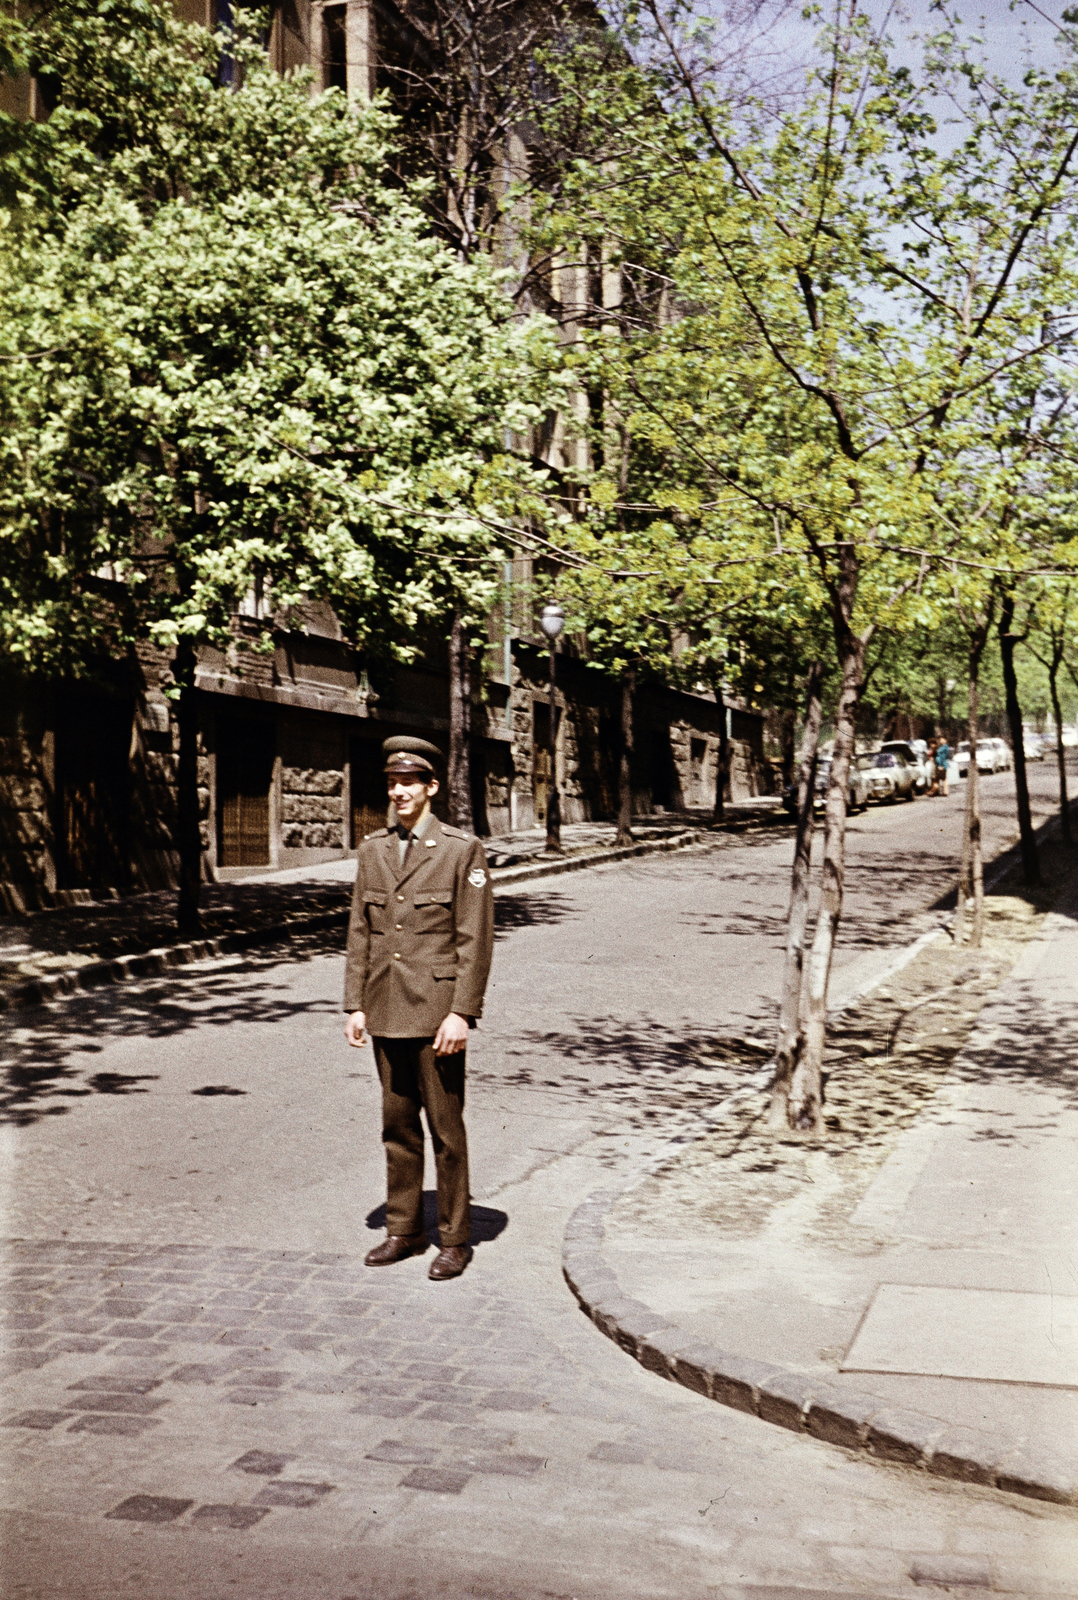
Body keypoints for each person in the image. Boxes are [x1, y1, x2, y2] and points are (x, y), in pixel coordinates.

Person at [343, 736, 494, 1280]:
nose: (399, 791)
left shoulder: (460, 850)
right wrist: (354, 1003)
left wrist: (462, 1012)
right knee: (397, 1125)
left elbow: (474, 938)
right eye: (392, 782)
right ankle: (403, 1229)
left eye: (410, 782)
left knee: (446, 1131)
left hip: (435, 1013)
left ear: (431, 787)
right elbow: (361, 930)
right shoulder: (373, 850)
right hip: (384, 1005)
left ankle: (454, 1237)